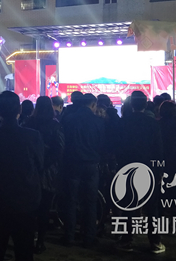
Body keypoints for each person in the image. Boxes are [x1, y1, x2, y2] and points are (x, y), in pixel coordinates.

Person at [0, 91, 44, 261]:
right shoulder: (33, 136)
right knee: (24, 252)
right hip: (25, 202)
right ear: (19, 110)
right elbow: (40, 165)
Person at [115, 90, 165, 254]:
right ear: (146, 104)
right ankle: (155, 241)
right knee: (152, 207)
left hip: (127, 169)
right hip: (149, 169)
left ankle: (127, 240)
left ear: (131, 104)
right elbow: (159, 149)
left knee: (128, 205)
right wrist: (160, 170)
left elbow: (118, 148)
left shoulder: (123, 123)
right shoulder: (153, 124)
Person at [60, 93, 104, 249]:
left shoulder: (68, 119)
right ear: (93, 105)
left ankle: (69, 236)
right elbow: (102, 144)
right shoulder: (98, 122)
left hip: (72, 164)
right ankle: (89, 237)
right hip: (91, 165)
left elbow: (63, 142)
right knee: (90, 202)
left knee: (70, 201)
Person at [23, 96, 64, 254]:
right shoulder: (55, 125)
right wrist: (45, 164)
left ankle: (28, 238)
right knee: (44, 208)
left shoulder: (29, 123)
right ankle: (40, 241)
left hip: (30, 170)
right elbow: (59, 149)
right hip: (48, 173)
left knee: (29, 207)